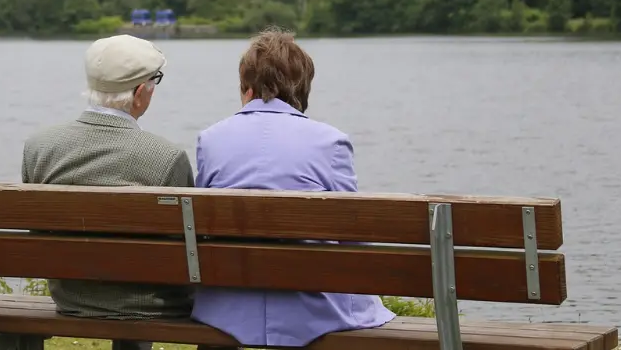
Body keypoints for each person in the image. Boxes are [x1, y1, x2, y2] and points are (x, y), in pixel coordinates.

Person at [191, 28, 396, 348]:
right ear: (302, 88)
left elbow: (203, 229)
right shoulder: (331, 142)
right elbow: (352, 239)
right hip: (310, 309)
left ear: (246, 88)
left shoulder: (211, 140)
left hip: (228, 305)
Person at [21, 34, 195, 350]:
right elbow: (184, 249)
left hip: (71, 297)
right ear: (141, 93)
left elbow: (37, 232)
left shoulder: (39, 148)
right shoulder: (166, 157)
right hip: (148, 304)